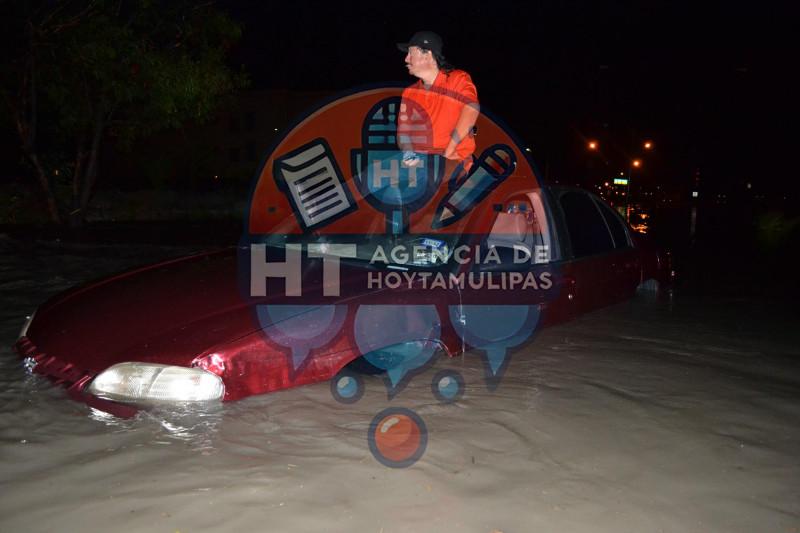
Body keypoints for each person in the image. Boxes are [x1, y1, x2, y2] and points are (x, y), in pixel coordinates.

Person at [396, 31, 480, 169]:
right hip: (419, 163)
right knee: (368, 179)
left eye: (411, 53)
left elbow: (471, 109)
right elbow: (403, 133)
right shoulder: (409, 93)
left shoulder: (457, 79)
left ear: (427, 54)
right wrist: (408, 153)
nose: (406, 59)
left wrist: (449, 151)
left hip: (451, 163)